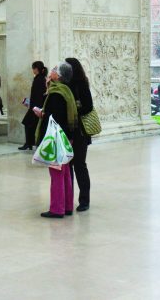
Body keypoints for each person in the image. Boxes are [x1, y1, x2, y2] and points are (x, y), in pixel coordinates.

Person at [33, 62, 78, 218]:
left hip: (56, 138)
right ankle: (67, 206)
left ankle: (57, 208)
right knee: (64, 172)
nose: (50, 71)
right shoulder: (66, 91)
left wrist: (42, 115)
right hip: (65, 136)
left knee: (56, 173)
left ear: (58, 76)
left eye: (53, 70)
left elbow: (54, 118)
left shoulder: (56, 93)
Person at [66, 57, 93, 212]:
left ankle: (84, 200)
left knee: (79, 165)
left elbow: (88, 106)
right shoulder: (64, 84)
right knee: (68, 165)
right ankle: (68, 199)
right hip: (68, 130)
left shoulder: (81, 83)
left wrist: (74, 111)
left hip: (80, 131)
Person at [19, 61, 48, 150]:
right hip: (36, 106)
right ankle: (30, 143)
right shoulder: (40, 78)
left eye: (34, 68)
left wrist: (34, 107)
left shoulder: (39, 79)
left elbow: (38, 95)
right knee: (30, 125)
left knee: (28, 123)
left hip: (36, 107)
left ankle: (29, 143)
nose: (33, 70)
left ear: (37, 69)